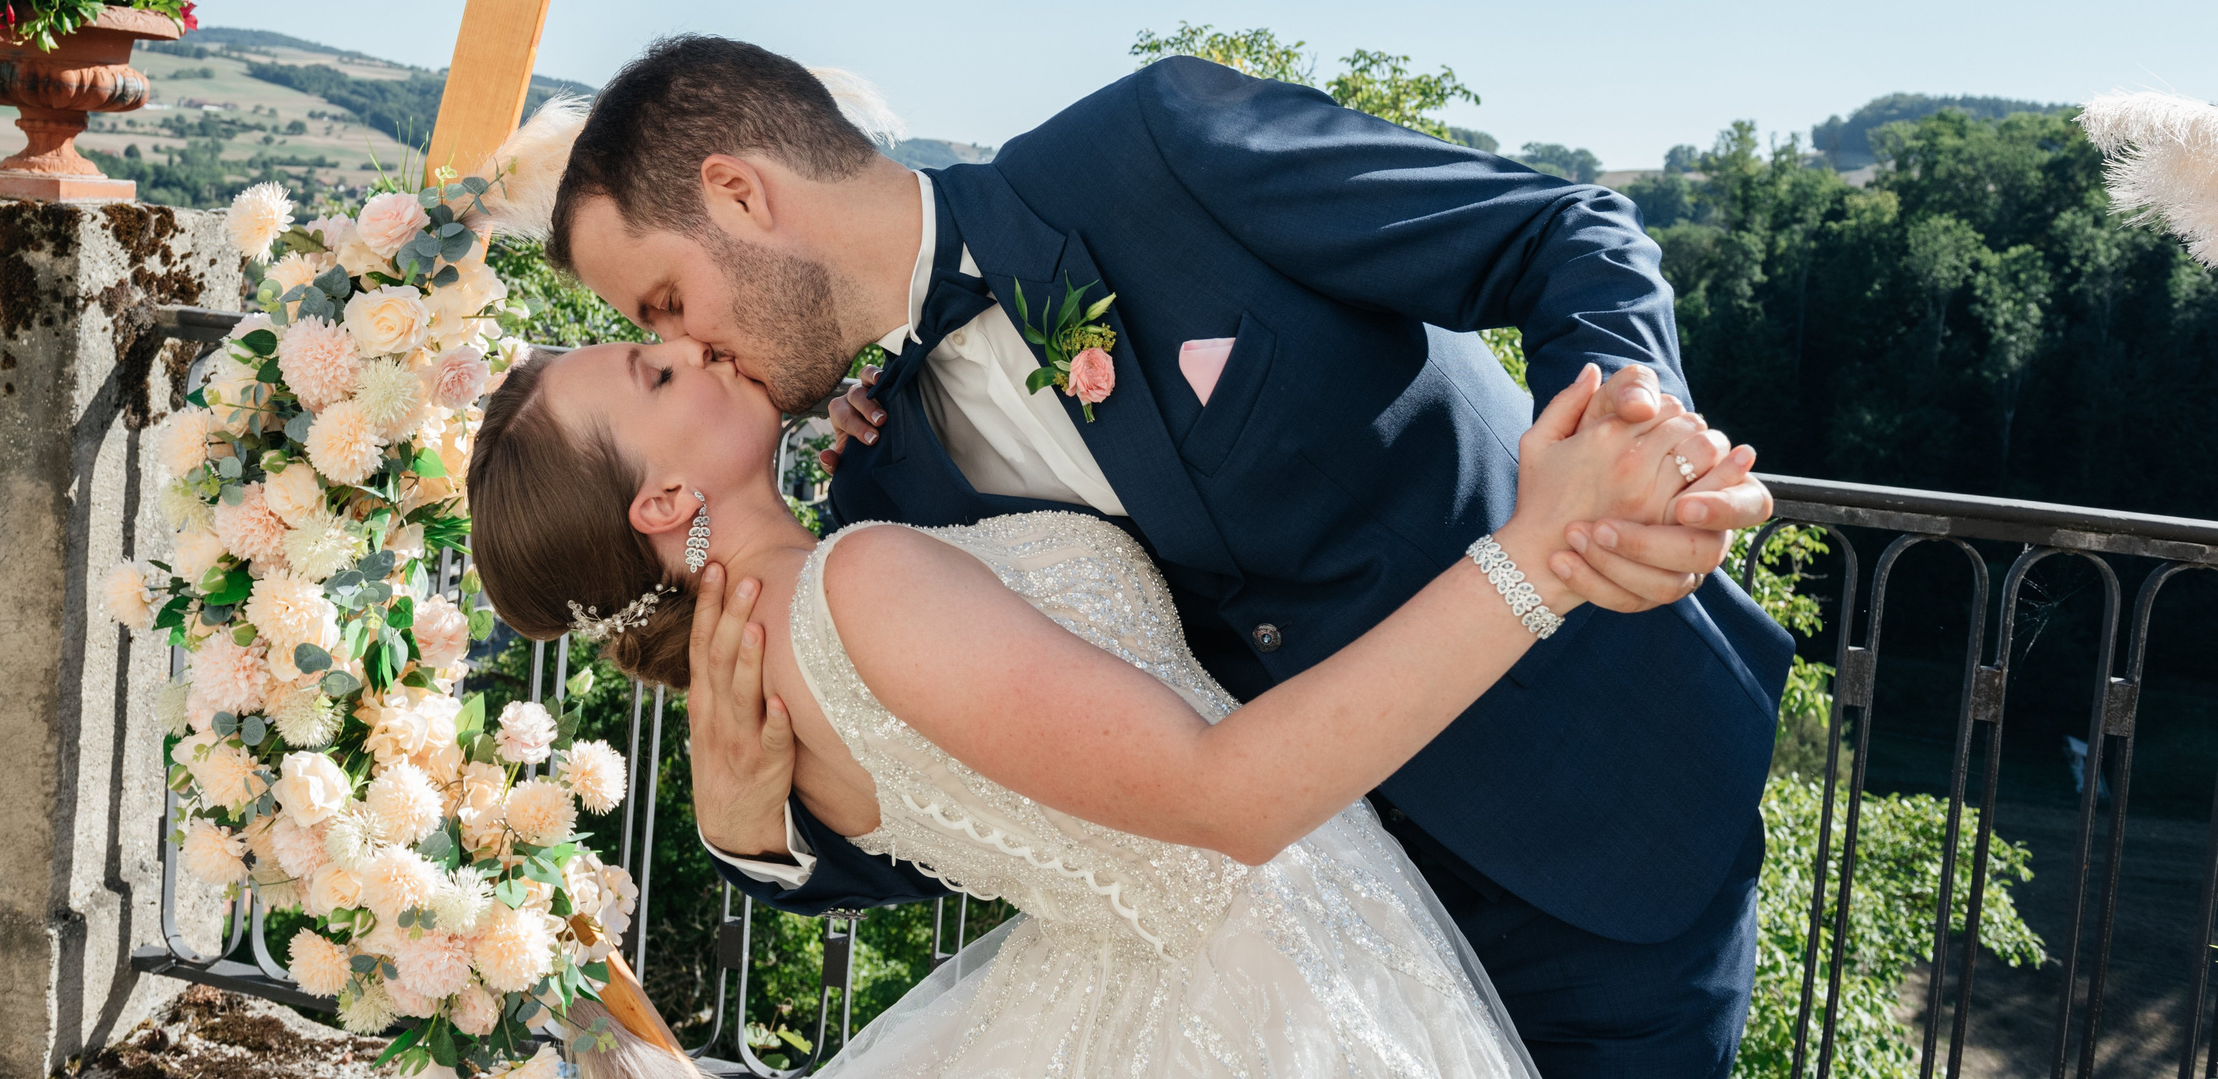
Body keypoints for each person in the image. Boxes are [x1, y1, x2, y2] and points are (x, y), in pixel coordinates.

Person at [536, 35, 1788, 1077]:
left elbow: (1560, 231)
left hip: (1604, 811)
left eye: (663, 304)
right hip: (1321, 967)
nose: (691, 348)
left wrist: (1623, 446)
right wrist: (766, 840)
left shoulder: (1153, 147)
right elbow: (1004, 791)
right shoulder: (884, 484)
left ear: (741, 194)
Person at [470, 334, 1752, 1078]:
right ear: (656, 504)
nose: (689, 341)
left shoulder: (774, 666)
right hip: (1270, 985)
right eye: (651, 372)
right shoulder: (858, 579)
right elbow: (1223, 797)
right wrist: (1538, 553)